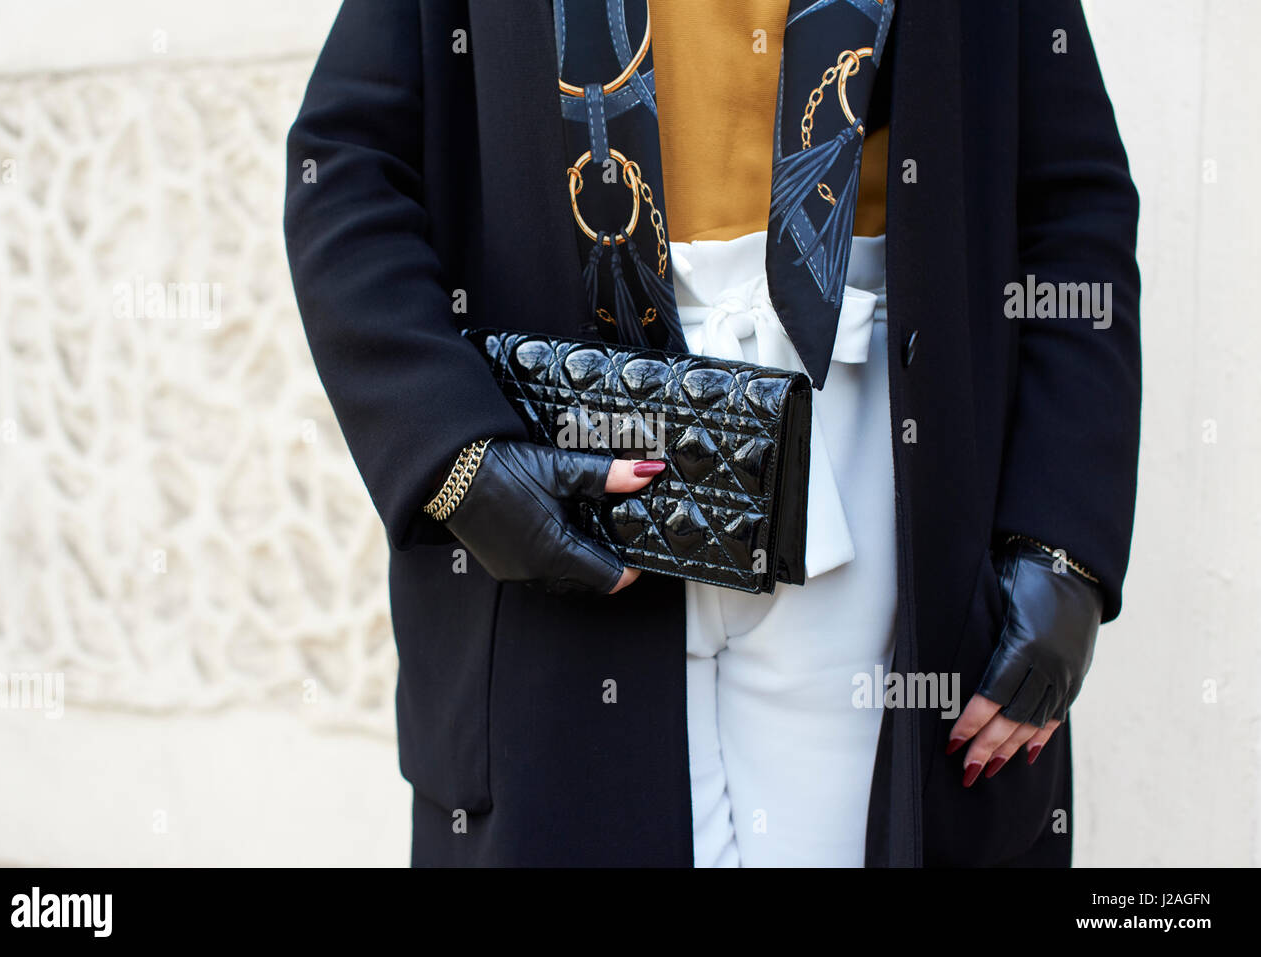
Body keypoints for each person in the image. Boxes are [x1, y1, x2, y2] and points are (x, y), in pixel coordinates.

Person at [284, 0, 1140, 867]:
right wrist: (451, 449)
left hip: (880, 470)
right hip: (575, 476)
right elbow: (346, 168)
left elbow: (1070, 205)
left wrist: (1063, 537)